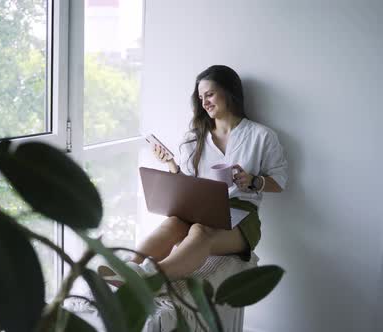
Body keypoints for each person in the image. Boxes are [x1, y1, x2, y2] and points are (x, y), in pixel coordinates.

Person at [99, 65, 288, 284]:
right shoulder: (194, 138)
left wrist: (254, 181)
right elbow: (187, 186)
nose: (204, 102)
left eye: (210, 94)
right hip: (201, 209)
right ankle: (128, 268)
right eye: (200, 97)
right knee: (172, 223)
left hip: (241, 215)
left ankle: (151, 279)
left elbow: (280, 181)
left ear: (229, 92)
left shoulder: (261, 136)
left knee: (200, 229)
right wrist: (171, 164)